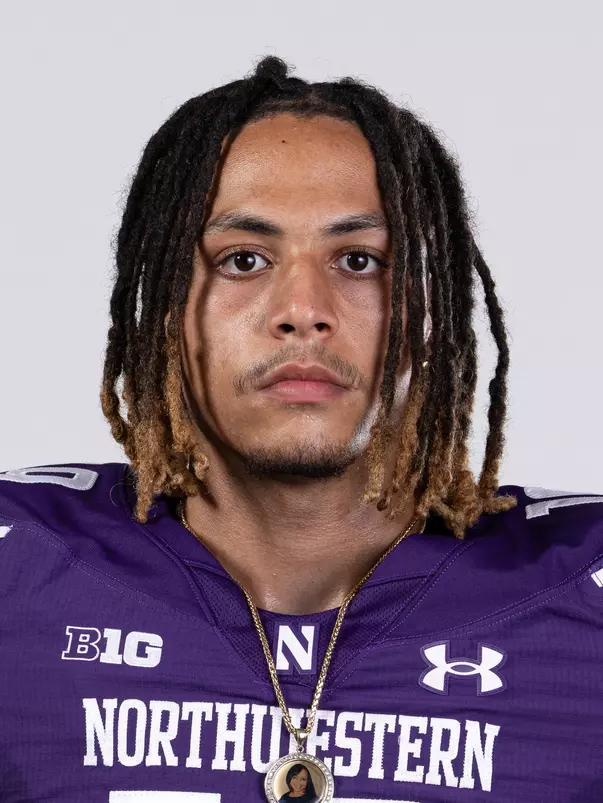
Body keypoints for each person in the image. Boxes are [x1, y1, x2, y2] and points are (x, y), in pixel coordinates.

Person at [0, 54, 602, 803]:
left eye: (358, 259)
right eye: (243, 259)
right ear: (159, 303)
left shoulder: (584, 592)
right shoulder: (19, 570)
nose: (303, 308)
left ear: (430, 311)